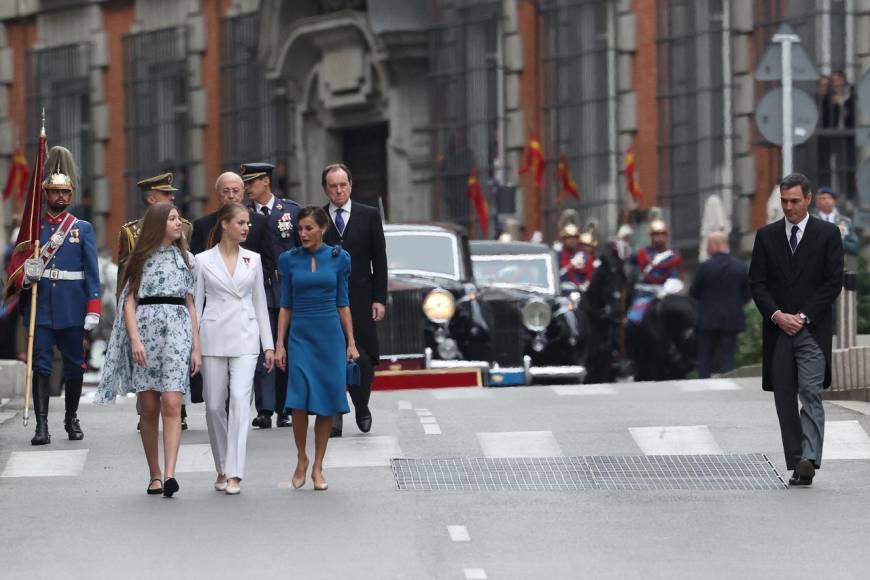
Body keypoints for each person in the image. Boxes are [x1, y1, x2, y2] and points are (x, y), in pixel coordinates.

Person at [96, 203, 200, 497]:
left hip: (177, 330)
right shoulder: (140, 259)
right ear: (157, 224)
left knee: (171, 401)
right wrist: (135, 340)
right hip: (146, 330)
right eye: (171, 218)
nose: (178, 223)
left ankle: (170, 474)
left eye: (178, 218)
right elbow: (129, 300)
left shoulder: (187, 259)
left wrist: (197, 347)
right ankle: (154, 473)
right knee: (149, 406)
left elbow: (191, 304)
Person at [749, 173, 844, 487]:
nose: (788, 207)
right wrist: (777, 315)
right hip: (778, 331)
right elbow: (757, 284)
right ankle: (796, 461)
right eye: (784, 201)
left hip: (811, 329)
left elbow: (832, 281)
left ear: (808, 199)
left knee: (811, 392)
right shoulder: (766, 236)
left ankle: (809, 456)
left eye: (794, 201)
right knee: (785, 397)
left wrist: (802, 316)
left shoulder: (827, 234)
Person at [16, 146, 100, 445]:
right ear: (45, 194)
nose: (60, 197)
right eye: (55, 192)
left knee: (75, 365)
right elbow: (15, 270)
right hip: (41, 308)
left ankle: (71, 417)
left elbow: (92, 272)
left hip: (72, 308)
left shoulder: (82, 229)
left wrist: (93, 307)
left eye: (65, 192)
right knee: (41, 365)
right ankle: (41, 426)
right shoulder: (32, 229)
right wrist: (27, 275)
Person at [275, 206, 357, 491]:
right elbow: (285, 305)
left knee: (325, 402)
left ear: (322, 228)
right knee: (298, 400)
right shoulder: (289, 260)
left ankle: (319, 466)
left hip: (330, 336)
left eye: (309, 228)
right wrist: (279, 345)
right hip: (300, 335)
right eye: (300, 229)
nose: (303, 233)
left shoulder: (339, 258)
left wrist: (351, 343)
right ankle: (301, 457)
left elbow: (343, 303)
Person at [194, 203, 274, 495]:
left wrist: (268, 345)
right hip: (213, 335)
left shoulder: (253, 259)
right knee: (214, 405)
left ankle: (235, 473)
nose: (246, 228)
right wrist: (195, 344)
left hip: (246, 335)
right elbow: (196, 304)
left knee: (241, 400)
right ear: (225, 224)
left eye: (247, 223)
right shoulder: (202, 261)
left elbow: (260, 305)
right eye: (240, 222)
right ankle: (222, 466)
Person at [117, 172, 193, 431]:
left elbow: (188, 285)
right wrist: (129, 327)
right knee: (149, 395)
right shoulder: (130, 232)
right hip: (145, 315)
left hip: (176, 317)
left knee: (172, 392)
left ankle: (176, 409)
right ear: (152, 198)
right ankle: (147, 411)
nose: (172, 197)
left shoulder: (184, 228)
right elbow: (125, 281)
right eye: (166, 193)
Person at [321, 163, 387, 437]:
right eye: (333, 186)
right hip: (326, 300)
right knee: (331, 356)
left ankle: (361, 404)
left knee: (363, 356)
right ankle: (335, 412)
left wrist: (379, 299)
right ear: (326, 189)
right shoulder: (318, 217)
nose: (338, 190)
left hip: (360, 298)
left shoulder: (368, 215)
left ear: (351, 185)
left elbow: (379, 260)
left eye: (343, 185)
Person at [242, 162, 301, 429]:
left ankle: (285, 407)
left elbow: (302, 247)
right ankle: (264, 408)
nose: (247, 189)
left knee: (285, 346)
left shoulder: (290, 211)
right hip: (259, 288)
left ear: (266, 181)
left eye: (251, 183)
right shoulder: (242, 216)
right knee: (262, 347)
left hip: (287, 288)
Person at [689, 231, 751, 378]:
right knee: (727, 357)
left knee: (705, 359)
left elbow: (694, 292)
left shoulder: (705, 267)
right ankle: (727, 384)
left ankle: (703, 386)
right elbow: (748, 293)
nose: (707, 249)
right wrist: (736, 304)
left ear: (716, 245)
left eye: (708, 245)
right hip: (731, 318)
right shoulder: (740, 266)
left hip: (707, 320)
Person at [627, 219, 683, 324]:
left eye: (662, 234)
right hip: (644, 295)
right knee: (633, 320)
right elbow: (628, 261)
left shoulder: (672, 257)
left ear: (666, 236)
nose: (659, 237)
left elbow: (674, 278)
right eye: (656, 234)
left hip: (665, 295)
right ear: (651, 237)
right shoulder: (641, 254)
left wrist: (664, 292)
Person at [812, 186, 860, 263]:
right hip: (816, 266)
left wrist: (840, 242)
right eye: (823, 198)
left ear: (835, 201)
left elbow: (855, 248)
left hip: (839, 265)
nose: (827, 201)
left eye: (829, 198)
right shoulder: (811, 221)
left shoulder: (845, 222)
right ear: (817, 203)